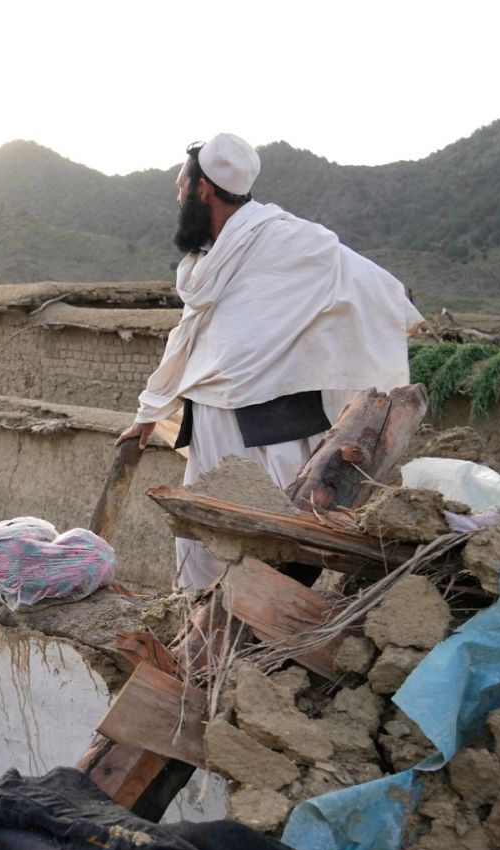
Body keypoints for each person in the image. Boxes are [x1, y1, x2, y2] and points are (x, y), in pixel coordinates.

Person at [116, 134, 423, 590]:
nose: (177, 194)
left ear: (204, 189)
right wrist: (148, 415)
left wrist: (391, 322)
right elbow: (188, 337)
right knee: (202, 544)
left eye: (181, 185)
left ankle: (260, 650)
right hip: (211, 422)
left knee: (268, 549)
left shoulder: (288, 239)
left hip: (273, 427)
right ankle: (198, 641)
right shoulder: (208, 259)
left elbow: (374, 284)